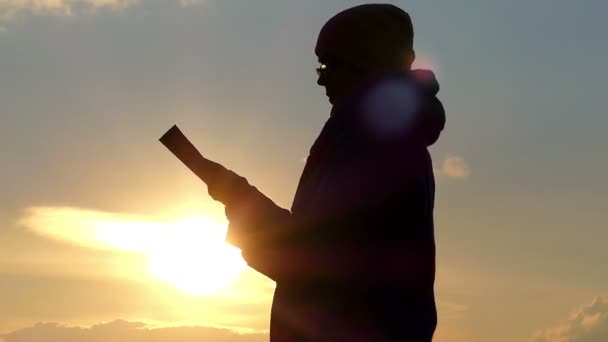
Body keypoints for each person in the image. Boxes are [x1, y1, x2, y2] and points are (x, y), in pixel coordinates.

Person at [204, 4, 445, 341]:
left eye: (328, 65)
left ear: (364, 64)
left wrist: (241, 202)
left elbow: (313, 262)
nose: (321, 79)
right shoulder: (379, 139)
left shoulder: (373, 143)